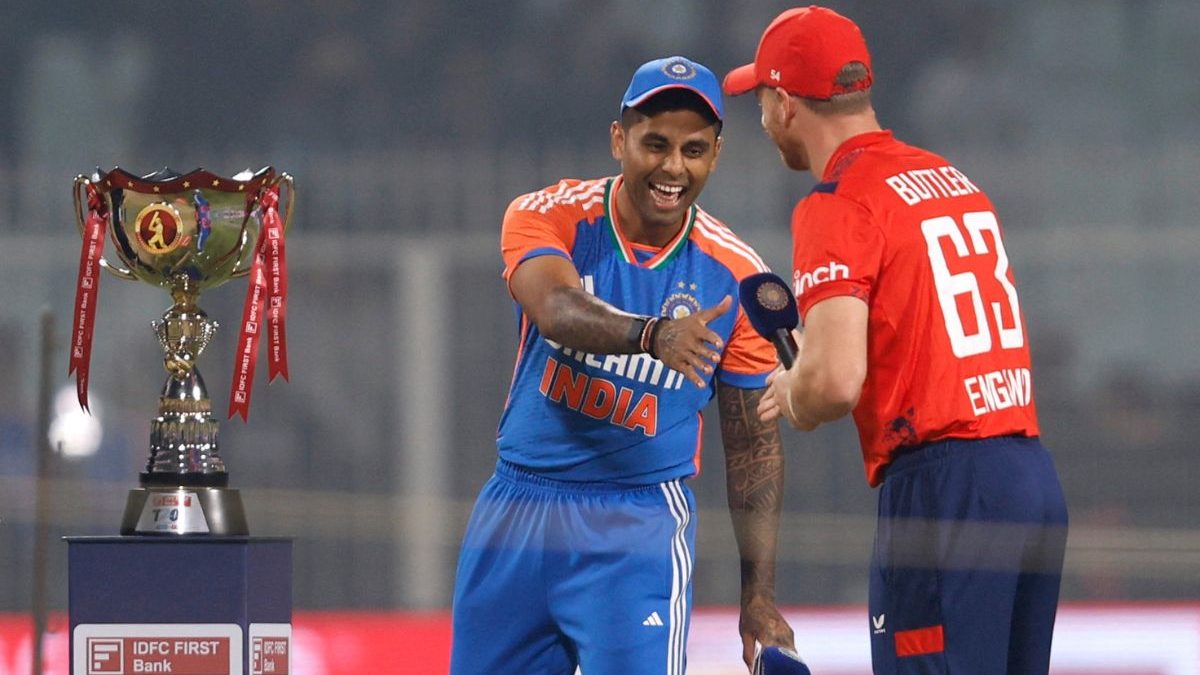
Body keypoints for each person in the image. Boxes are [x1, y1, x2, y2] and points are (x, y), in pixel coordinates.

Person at [722, 7, 1069, 675]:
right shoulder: (952, 181)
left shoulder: (840, 201)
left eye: (762, 101)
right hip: (1028, 476)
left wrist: (792, 392)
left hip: (946, 489)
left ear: (788, 103)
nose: (762, 121)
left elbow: (833, 380)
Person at [450, 56, 796, 674]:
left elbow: (752, 449)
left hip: (636, 526)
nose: (672, 167)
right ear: (619, 141)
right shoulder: (551, 213)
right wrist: (653, 336)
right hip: (517, 508)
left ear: (715, 155)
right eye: (655, 144)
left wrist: (759, 598)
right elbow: (555, 307)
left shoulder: (737, 276)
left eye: (693, 150)